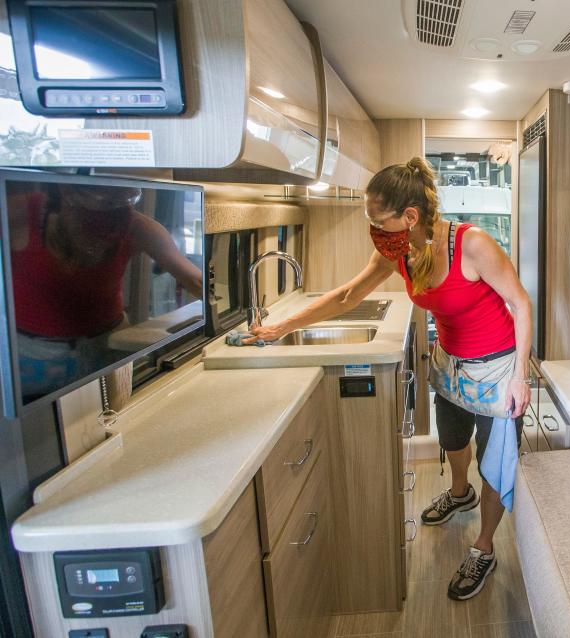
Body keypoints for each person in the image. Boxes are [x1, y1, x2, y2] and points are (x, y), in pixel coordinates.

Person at [247, 156, 533, 601]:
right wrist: (282, 328)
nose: (373, 230)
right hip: (450, 362)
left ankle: (484, 545)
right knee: (453, 439)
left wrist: (520, 375)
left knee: (492, 460)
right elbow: (347, 294)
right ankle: (460, 494)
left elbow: (520, 301)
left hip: (496, 366)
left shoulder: (470, 243)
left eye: (377, 220)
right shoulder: (397, 250)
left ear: (410, 216)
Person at [8, 182, 203, 401]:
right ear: (67, 192)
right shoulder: (20, 214)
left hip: (105, 347)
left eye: (123, 202)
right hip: (30, 355)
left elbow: (195, 280)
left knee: (112, 419)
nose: (115, 214)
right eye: (106, 203)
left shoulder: (136, 226)